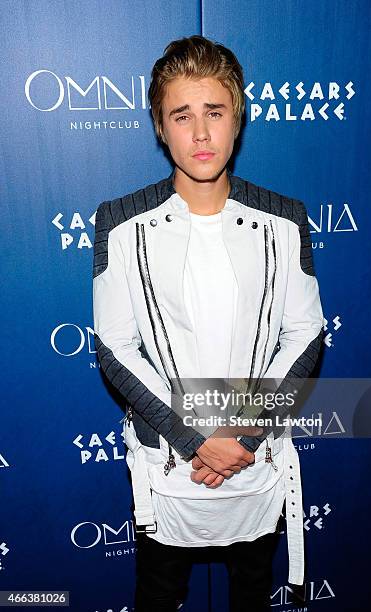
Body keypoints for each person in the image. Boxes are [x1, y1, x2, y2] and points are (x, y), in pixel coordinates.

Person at [92, 34, 324, 612]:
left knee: (251, 594)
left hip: (256, 456)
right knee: (159, 594)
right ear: (159, 126)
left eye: (214, 113)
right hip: (168, 462)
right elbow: (115, 349)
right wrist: (197, 441)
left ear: (237, 120)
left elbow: (305, 335)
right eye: (182, 115)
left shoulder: (284, 219)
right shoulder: (118, 223)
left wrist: (240, 437)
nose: (200, 134)